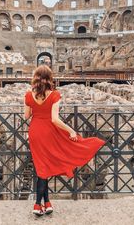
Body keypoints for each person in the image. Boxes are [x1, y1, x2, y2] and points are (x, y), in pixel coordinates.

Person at [24, 65, 106, 217]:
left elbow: (26, 116)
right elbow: (55, 119)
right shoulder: (55, 95)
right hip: (49, 132)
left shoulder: (29, 95)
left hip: (35, 132)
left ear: (35, 77)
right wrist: (71, 131)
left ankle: (47, 203)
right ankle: (37, 205)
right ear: (50, 78)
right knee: (43, 169)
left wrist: (34, 107)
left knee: (43, 167)